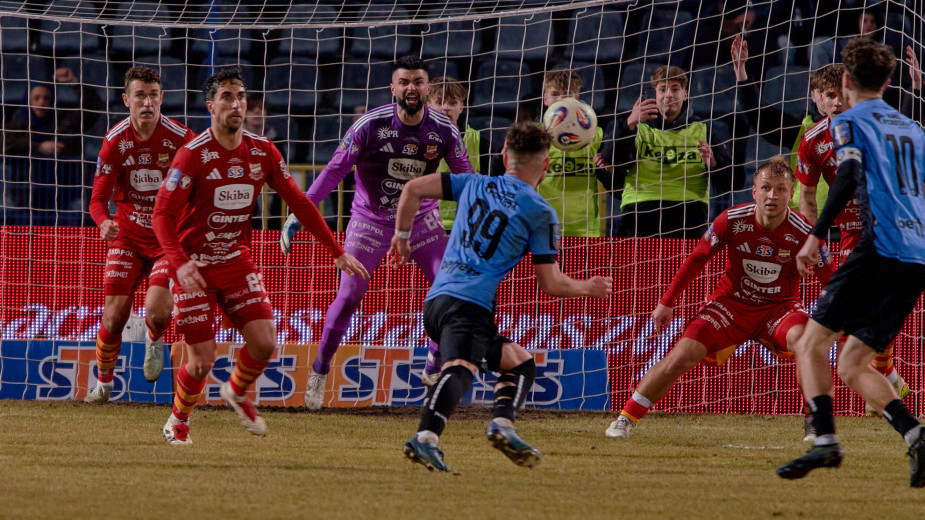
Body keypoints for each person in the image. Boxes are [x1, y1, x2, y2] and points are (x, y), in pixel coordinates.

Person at [151, 67, 368, 445]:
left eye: (241, 97)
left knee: (265, 343)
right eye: (227, 97)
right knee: (201, 361)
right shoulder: (192, 155)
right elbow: (162, 216)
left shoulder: (263, 150)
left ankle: (235, 391)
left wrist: (336, 250)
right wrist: (179, 262)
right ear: (210, 106)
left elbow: (299, 202)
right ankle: (178, 420)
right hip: (194, 266)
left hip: (236, 261)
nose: (237, 104)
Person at [393, 122, 613, 473]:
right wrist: (589, 287)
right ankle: (425, 438)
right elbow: (551, 283)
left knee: (519, 363)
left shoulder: (473, 183)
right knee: (460, 370)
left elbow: (413, 188)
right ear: (546, 165)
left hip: (436, 302)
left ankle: (502, 425)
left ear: (504, 156)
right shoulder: (540, 212)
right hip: (469, 306)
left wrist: (402, 237)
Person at [279, 56, 474, 408]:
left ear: (427, 89)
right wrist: (300, 210)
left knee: (451, 287)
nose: (411, 87)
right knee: (350, 295)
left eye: (418, 81)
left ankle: (434, 362)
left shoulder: (445, 130)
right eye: (404, 82)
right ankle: (319, 371)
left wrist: (488, 212)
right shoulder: (369, 125)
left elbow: (466, 179)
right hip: (371, 219)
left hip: (421, 219)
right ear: (393, 89)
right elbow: (335, 170)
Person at [776, 38, 925, 487]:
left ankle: (824, 440)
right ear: (888, 81)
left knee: (810, 343)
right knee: (855, 362)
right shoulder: (913, 128)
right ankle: (917, 436)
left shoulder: (847, 120)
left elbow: (848, 173)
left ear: (845, 81)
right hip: (916, 254)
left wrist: (815, 235)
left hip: (878, 245)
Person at [605, 158, 832, 440]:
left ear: (791, 194)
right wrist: (666, 301)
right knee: (681, 355)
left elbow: (831, 279)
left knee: (808, 343)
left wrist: (842, 322)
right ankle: (625, 418)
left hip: (779, 308)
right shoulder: (732, 220)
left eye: (780, 189)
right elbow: (697, 258)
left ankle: (815, 421)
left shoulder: (806, 232)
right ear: (754, 191)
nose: (772, 196)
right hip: (731, 304)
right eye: (766, 188)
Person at [793, 64, 911, 416]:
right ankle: (887, 375)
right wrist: (813, 236)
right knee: (860, 311)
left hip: (889, 227)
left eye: (841, 95)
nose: (836, 102)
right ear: (818, 99)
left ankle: (883, 379)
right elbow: (807, 196)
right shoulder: (812, 141)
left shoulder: (875, 129)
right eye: (829, 96)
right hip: (848, 234)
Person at [83, 67, 197, 403]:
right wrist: (103, 222)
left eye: (153, 95)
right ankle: (104, 384)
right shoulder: (115, 141)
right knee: (114, 315)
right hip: (128, 236)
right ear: (126, 100)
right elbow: (97, 199)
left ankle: (154, 336)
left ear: (161, 98)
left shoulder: (181, 137)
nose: (147, 102)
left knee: (158, 312)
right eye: (140, 95)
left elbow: (199, 185)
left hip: (166, 238)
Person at [599, 65, 732, 239]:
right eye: (663, 89)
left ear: (685, 94)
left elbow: (732, 181)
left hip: (688, 210)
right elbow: (610, 160)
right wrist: (629, 123)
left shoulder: (705, 130)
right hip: (640, 209)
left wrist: (712, 162)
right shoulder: (635, 127)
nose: (668, 94)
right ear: (655, 95)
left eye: (675, 89)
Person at [536, 69, 608, 237]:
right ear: (545, 99)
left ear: (577, 99)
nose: (561, 100)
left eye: (568, 94)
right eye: (555, 94)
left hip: (585, 229)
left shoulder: (596, 134)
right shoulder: (533, 135)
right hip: (542, 228)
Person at [3, 66, 104, 158]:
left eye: (46, 98)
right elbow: (4, 143)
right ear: (28, 100)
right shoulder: (17, 124)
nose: (41, 102)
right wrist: (38, 147)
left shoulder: (64, 122)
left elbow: (92, 109)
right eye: (36, 98)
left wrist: (74, 82)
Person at [426, 76, 483, 230]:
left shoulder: (480, 140)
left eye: (452, 103)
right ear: (428, 106)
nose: (446, 108)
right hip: (426, 224)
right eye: (440, 102)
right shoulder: (416, 140)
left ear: (461, 107)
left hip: (466, 225)